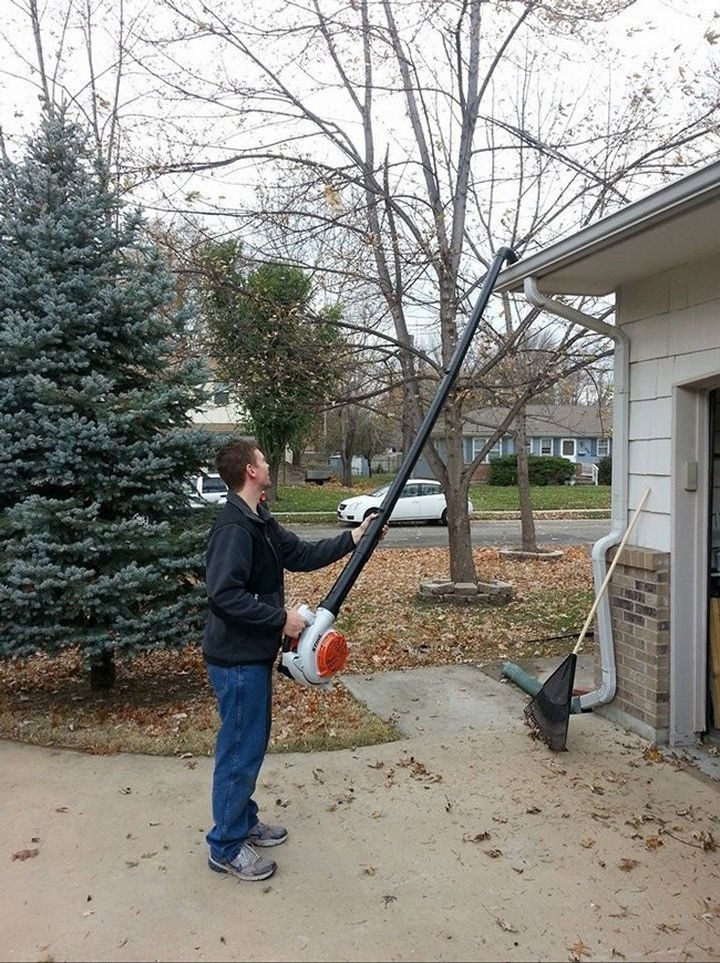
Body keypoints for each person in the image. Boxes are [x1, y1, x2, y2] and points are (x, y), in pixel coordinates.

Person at [202, 438, 383, 882]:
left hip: (251, 655)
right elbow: (224, 595)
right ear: (249, 471)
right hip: (235, 658)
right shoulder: (234, 528)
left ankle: (242, 822)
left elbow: (300, 555)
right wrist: (280, 620)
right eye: (262, 459)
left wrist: (354, 537)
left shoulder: (258, 519)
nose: (268, 463)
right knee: (240, 750)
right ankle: (225, 846)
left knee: (249, 744)